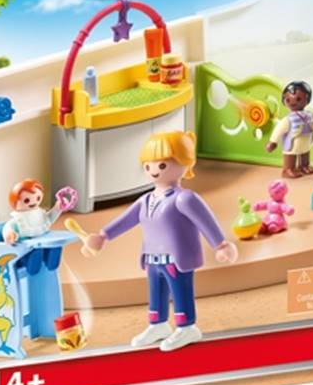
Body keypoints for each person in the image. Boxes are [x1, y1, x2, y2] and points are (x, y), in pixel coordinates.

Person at [83, 130, 236, 351]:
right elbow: (126, 220)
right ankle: (158, 324)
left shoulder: (184, 199)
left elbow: (206, 221)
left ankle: (187, 327)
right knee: (156, 293)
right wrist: (103, 236)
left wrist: (220, 244)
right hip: (152, 259)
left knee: (180, 291)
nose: (154, 170)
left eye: (162, 165)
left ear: (185, 163)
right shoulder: (145, 200)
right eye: (148, 166)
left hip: (177, 259)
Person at [265, 80, 313, 177]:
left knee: (305, 153)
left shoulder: (309, 115)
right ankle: (288, 169)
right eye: (288, 100)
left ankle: (304, 166)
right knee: (291, 155)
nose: (293, 102)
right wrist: (273, 141)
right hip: (292, 143)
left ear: (307, 99)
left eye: (298, 99)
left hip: (306, 141)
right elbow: (279, 129)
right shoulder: (288, 120)